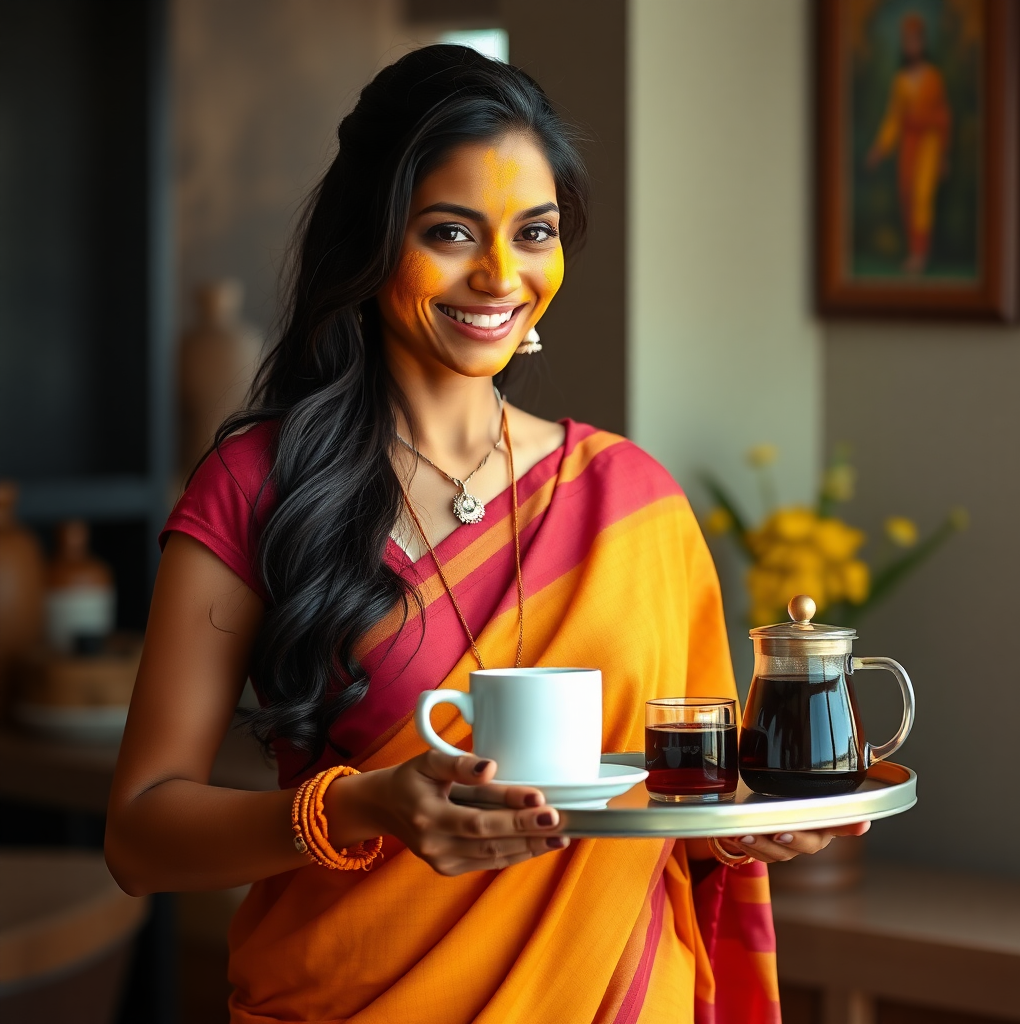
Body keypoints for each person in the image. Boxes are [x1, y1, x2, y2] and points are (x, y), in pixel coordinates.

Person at [105, 45, 867, 1024]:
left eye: (534, 233)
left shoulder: (632, 501)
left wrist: (753, 830)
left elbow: (691, 801)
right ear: (370, 242)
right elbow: (139, 836)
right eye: (452, 232)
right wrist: (356, 806)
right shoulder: (259, 486)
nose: (500, 275)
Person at [866, 12, 952, 274]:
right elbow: (894, 117)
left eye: (916, 40)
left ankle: (919, 256)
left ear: (923, 43)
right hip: (908, 145)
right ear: (904, 45)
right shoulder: (901, 80)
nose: (912, 45)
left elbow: (943, 116)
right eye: (907, 41)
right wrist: (880, 148)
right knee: (906, 195)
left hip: (929, 143)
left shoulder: (933, 77)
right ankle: (913, 252)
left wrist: (943, 155)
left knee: (922, 197)